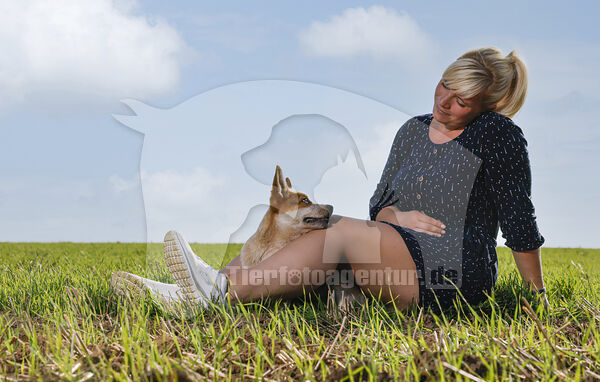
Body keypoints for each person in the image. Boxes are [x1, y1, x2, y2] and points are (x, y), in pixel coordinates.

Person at [112, 47, 546, 312]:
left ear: (489, 104)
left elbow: (518, 219)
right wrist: (399, 214)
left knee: (334, 232)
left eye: (462, 101)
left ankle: (219, 291)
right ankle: (187, 295)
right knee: (311, 236)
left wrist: (534, 295)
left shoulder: (497, 134)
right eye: (443, 87)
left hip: (452, 270)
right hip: (400, 249)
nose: (444, 102)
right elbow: (380, 203)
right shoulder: (413, 130)